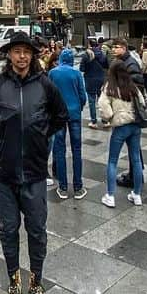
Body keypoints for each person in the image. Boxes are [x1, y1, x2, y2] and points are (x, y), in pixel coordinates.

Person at [0, 31, 67, 294]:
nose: (22, 56)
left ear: (33, 55)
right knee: (8, 229)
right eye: (17, 51)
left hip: (35, 173)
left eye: (27, 51)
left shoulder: (45, 85)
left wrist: (40, 137)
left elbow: (60, 116)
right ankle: (14, 283)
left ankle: (36, 284)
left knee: (37, 231)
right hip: (5, 173)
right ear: (9, 55)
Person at [98, 59, 146, 207]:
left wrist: (109, 118)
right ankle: (137, 194)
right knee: (136, 160)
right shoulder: (132, 86)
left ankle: (110, 196)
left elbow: (104, 108)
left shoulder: (109, 87)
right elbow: (142, 103)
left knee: (113, 160)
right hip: (135, 125)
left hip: (120, 127)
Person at [49, 48, 88, 200]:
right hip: (74, 114)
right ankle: (78, 187)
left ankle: (63, 187)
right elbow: (82, 95)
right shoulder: (76, 73)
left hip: (58, 115)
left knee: (59, 150)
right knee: (77, 149)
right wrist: (79, 106)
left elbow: (48, 94)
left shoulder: (53, 73)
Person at [80, 38, 109, 129]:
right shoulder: (102, 54)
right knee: (102, 100)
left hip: (90, 80)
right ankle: (105, 121)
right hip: (101, 79)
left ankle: (94, 121)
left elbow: (82, 69)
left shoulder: (86, 55)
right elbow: (107, 66)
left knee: (92, 101)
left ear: (89, 45)